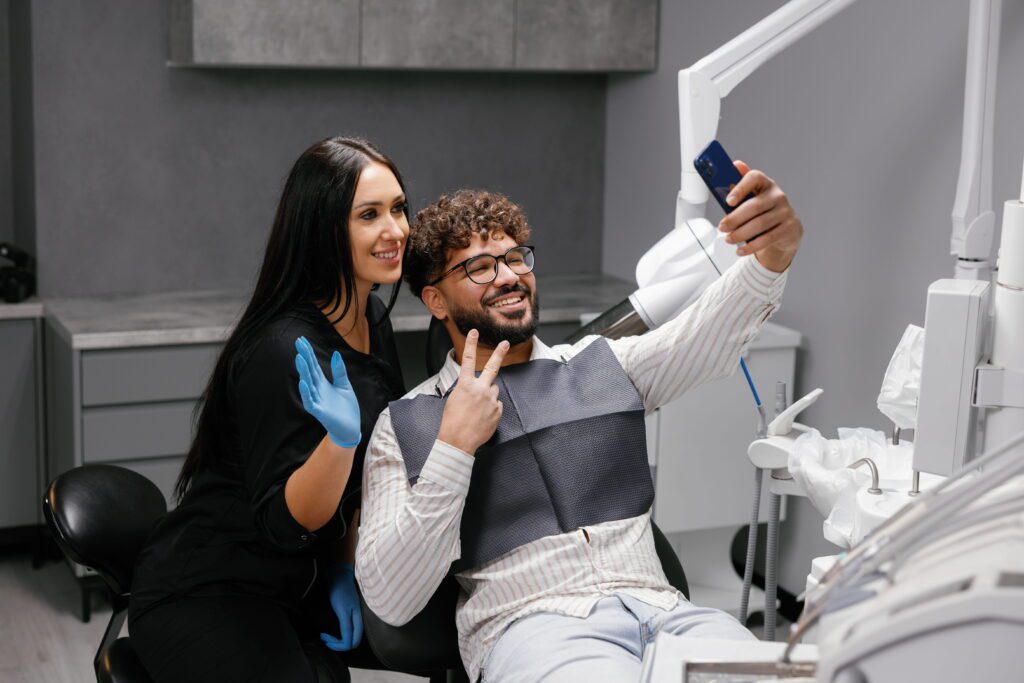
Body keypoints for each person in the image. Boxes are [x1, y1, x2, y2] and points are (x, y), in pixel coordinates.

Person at [356, 164, 804, 682]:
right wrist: (453, 446)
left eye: (514, 258)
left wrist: (774, 254)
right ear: (435, 299)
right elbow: (391, 599)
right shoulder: (404, 423)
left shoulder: (606, 363)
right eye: (480, 267)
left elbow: (709, 332)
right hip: (536, 631)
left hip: (670, 617)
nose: (508, 277)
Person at [128, 137, 409, 683]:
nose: (395, 230)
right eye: (369, 215)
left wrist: (344, 565)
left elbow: (366, 478)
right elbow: (285, 522)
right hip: (209, 590)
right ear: (323, 229)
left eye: (398, 208)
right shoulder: (284, 348)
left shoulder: (373, 317)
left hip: (292, 582)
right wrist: (339, 443)